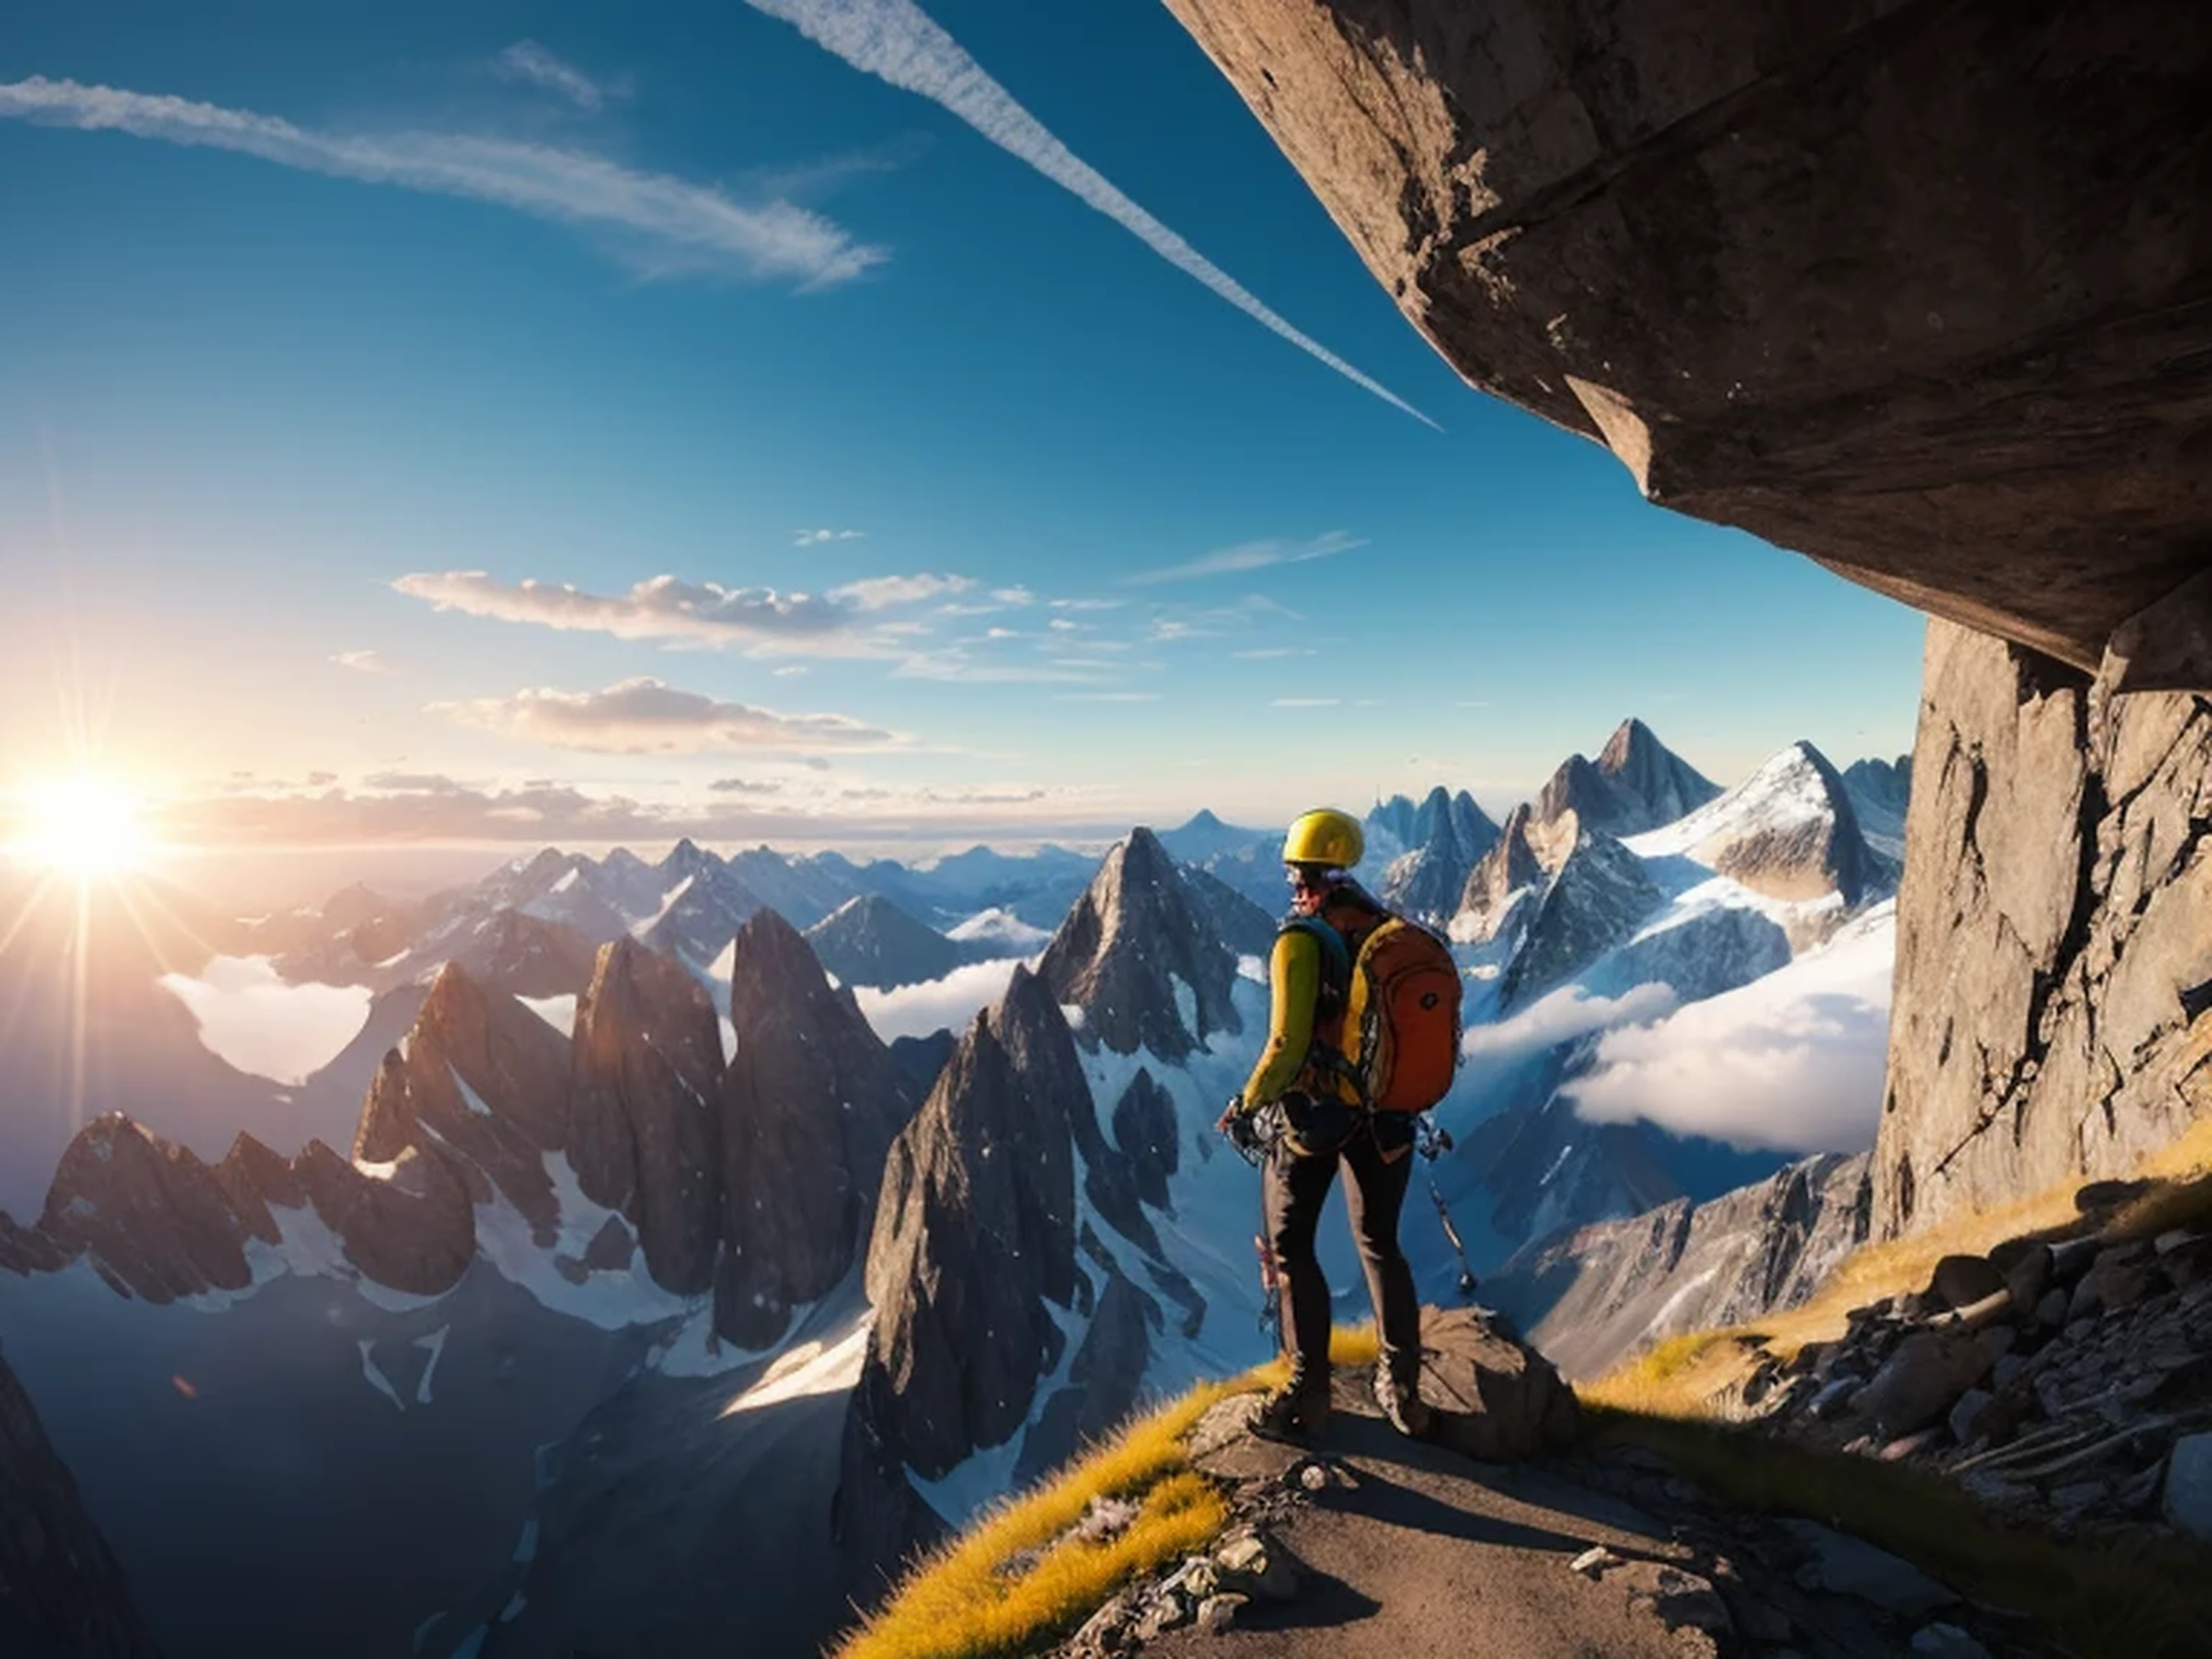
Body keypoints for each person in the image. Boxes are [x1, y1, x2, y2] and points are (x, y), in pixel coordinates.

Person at [1216, 806, 1430, 1440]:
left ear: (1304, 874)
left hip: (1318, 1117)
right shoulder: (1391, 932)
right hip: (1391, 1117)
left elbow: (1286, 1044)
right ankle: (1403, 1389)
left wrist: (1247, 1104)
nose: (1291, 885)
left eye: (1294, 873)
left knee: (1291, 1248)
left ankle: (1307, 1397)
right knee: (1381, 1245)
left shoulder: (1301, 940)